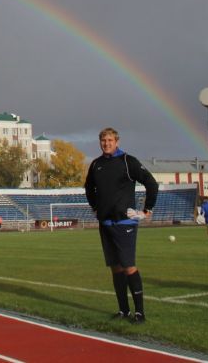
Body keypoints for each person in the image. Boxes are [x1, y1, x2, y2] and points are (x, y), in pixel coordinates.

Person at [84, 127, 158, 324]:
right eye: (103, 140)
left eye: (109, 140)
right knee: (115, 268)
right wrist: (94, 207)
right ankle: (123, 311)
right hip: (105, 223)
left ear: (116, 141)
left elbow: (152, 183)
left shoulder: (128, 161)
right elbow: (88, 188)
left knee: (128, 267)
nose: (106, 143)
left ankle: (140, 312)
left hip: (124, 223)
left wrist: (146, 210)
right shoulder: (96, 164)